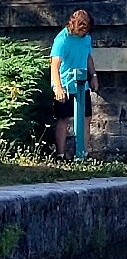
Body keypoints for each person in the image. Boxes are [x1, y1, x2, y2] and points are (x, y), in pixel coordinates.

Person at [50, 9, 99, 159]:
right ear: (74, 25)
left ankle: (82, 154)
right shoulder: (62, 39)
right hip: (64, 84)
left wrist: (94, 75)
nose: (83, 31)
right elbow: (54, 64)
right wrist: (58, 87)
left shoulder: (87, 39)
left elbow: (88, 57)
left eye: (86, 28)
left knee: (86, 118)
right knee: (64, 119)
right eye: (81, 28)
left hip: (81, 85)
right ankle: (60, 155)